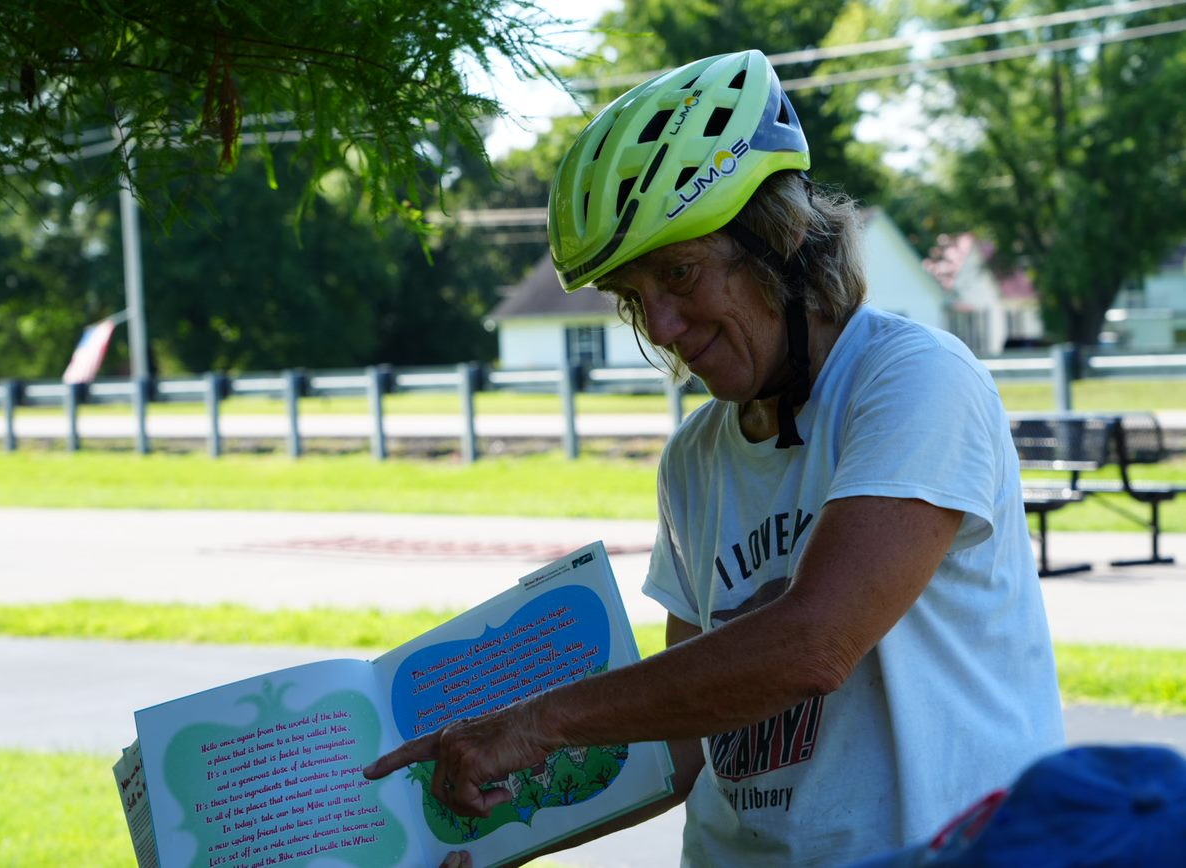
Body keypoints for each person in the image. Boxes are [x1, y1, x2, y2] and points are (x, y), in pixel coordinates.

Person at [365, 49, 1065, 866]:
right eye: (633, 296)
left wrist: (531, 724)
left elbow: (814, 645)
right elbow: (682, 741)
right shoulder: (695, 457)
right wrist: (476, 837)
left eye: (679, 272)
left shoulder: (911, 380)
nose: (659, 325)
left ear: (782, 238)